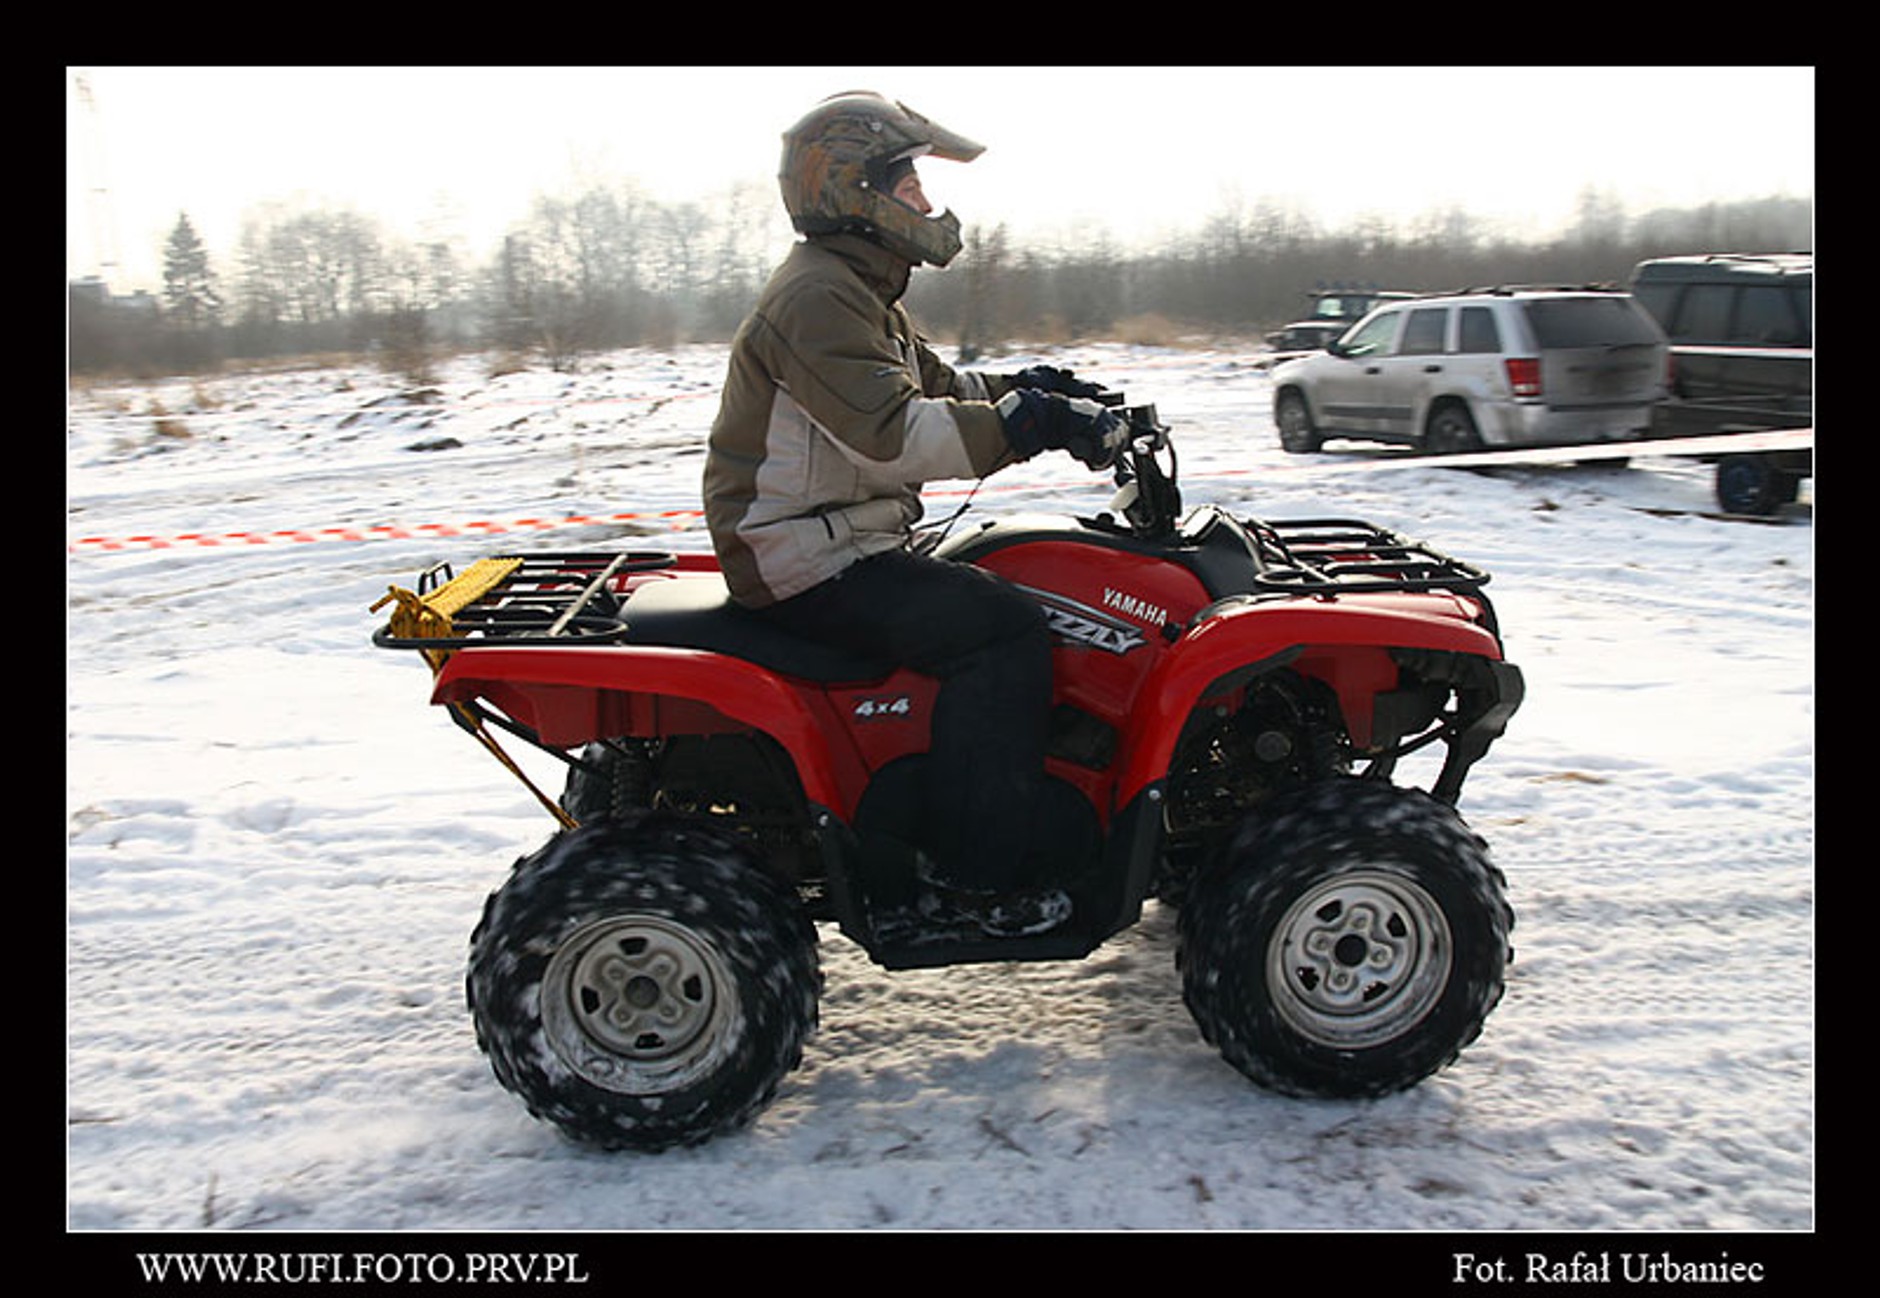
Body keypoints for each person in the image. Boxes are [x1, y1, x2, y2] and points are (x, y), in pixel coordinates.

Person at [702, 91, 1125, 938]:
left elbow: (939, 390)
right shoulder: (818, 299)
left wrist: (1035, 392)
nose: (928, 206)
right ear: (856, 192)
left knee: (1005, 576)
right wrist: (1029, 429)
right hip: (802, 556)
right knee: (1002, 631)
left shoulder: (855, 291)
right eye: (911, 188)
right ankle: (976, 875)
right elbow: (894, 435)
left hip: (832, 537)